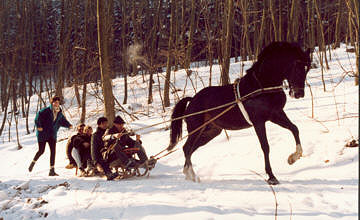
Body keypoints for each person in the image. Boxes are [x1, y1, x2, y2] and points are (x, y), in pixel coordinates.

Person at [28, 96, 73, 176]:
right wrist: (39, 126)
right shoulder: (45, 111)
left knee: (53, 151)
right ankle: (33, 162)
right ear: (52, 103)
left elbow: (62, 121)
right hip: (43, 134)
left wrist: (68, 125)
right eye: (55, 102)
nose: (56, 104)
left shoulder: (59, 112)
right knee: (41, 151)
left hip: (52, 134)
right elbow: (37, 118)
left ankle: (52, 171)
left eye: (58, 102)